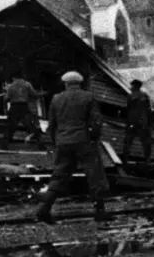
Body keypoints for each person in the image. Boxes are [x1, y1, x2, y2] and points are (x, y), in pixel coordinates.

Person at [36, 71, 109, 224]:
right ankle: (99, 211)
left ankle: (44, 209)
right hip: (84, 141)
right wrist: (94, 138)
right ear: (80, 83)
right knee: (95, 175)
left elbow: (52, 125)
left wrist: (57, 141)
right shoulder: (88, 97)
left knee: (59, 175)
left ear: (66, 84)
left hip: (63, 142)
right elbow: (96, 121)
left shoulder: (56, 99)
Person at [121, 79, 153, 163]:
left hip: (134, 121)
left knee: (129, 140)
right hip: (141, 122)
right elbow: (148, 110)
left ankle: (125, 158)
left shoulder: (131, 96)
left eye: (133, 85)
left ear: (136, 86)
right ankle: (147, 159)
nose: (131, 87)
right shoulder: (144, 96)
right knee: (144, 141)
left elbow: (128, 109)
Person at [3, 73, 40, 144]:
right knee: (29, 123)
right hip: (24, 106)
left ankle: (7, 141)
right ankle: (38, 139)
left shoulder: (11, 86)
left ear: (14, 77)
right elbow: (34, 95)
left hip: (14, 106)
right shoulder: (27, 84)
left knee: (11, 124)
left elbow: (6, 98)